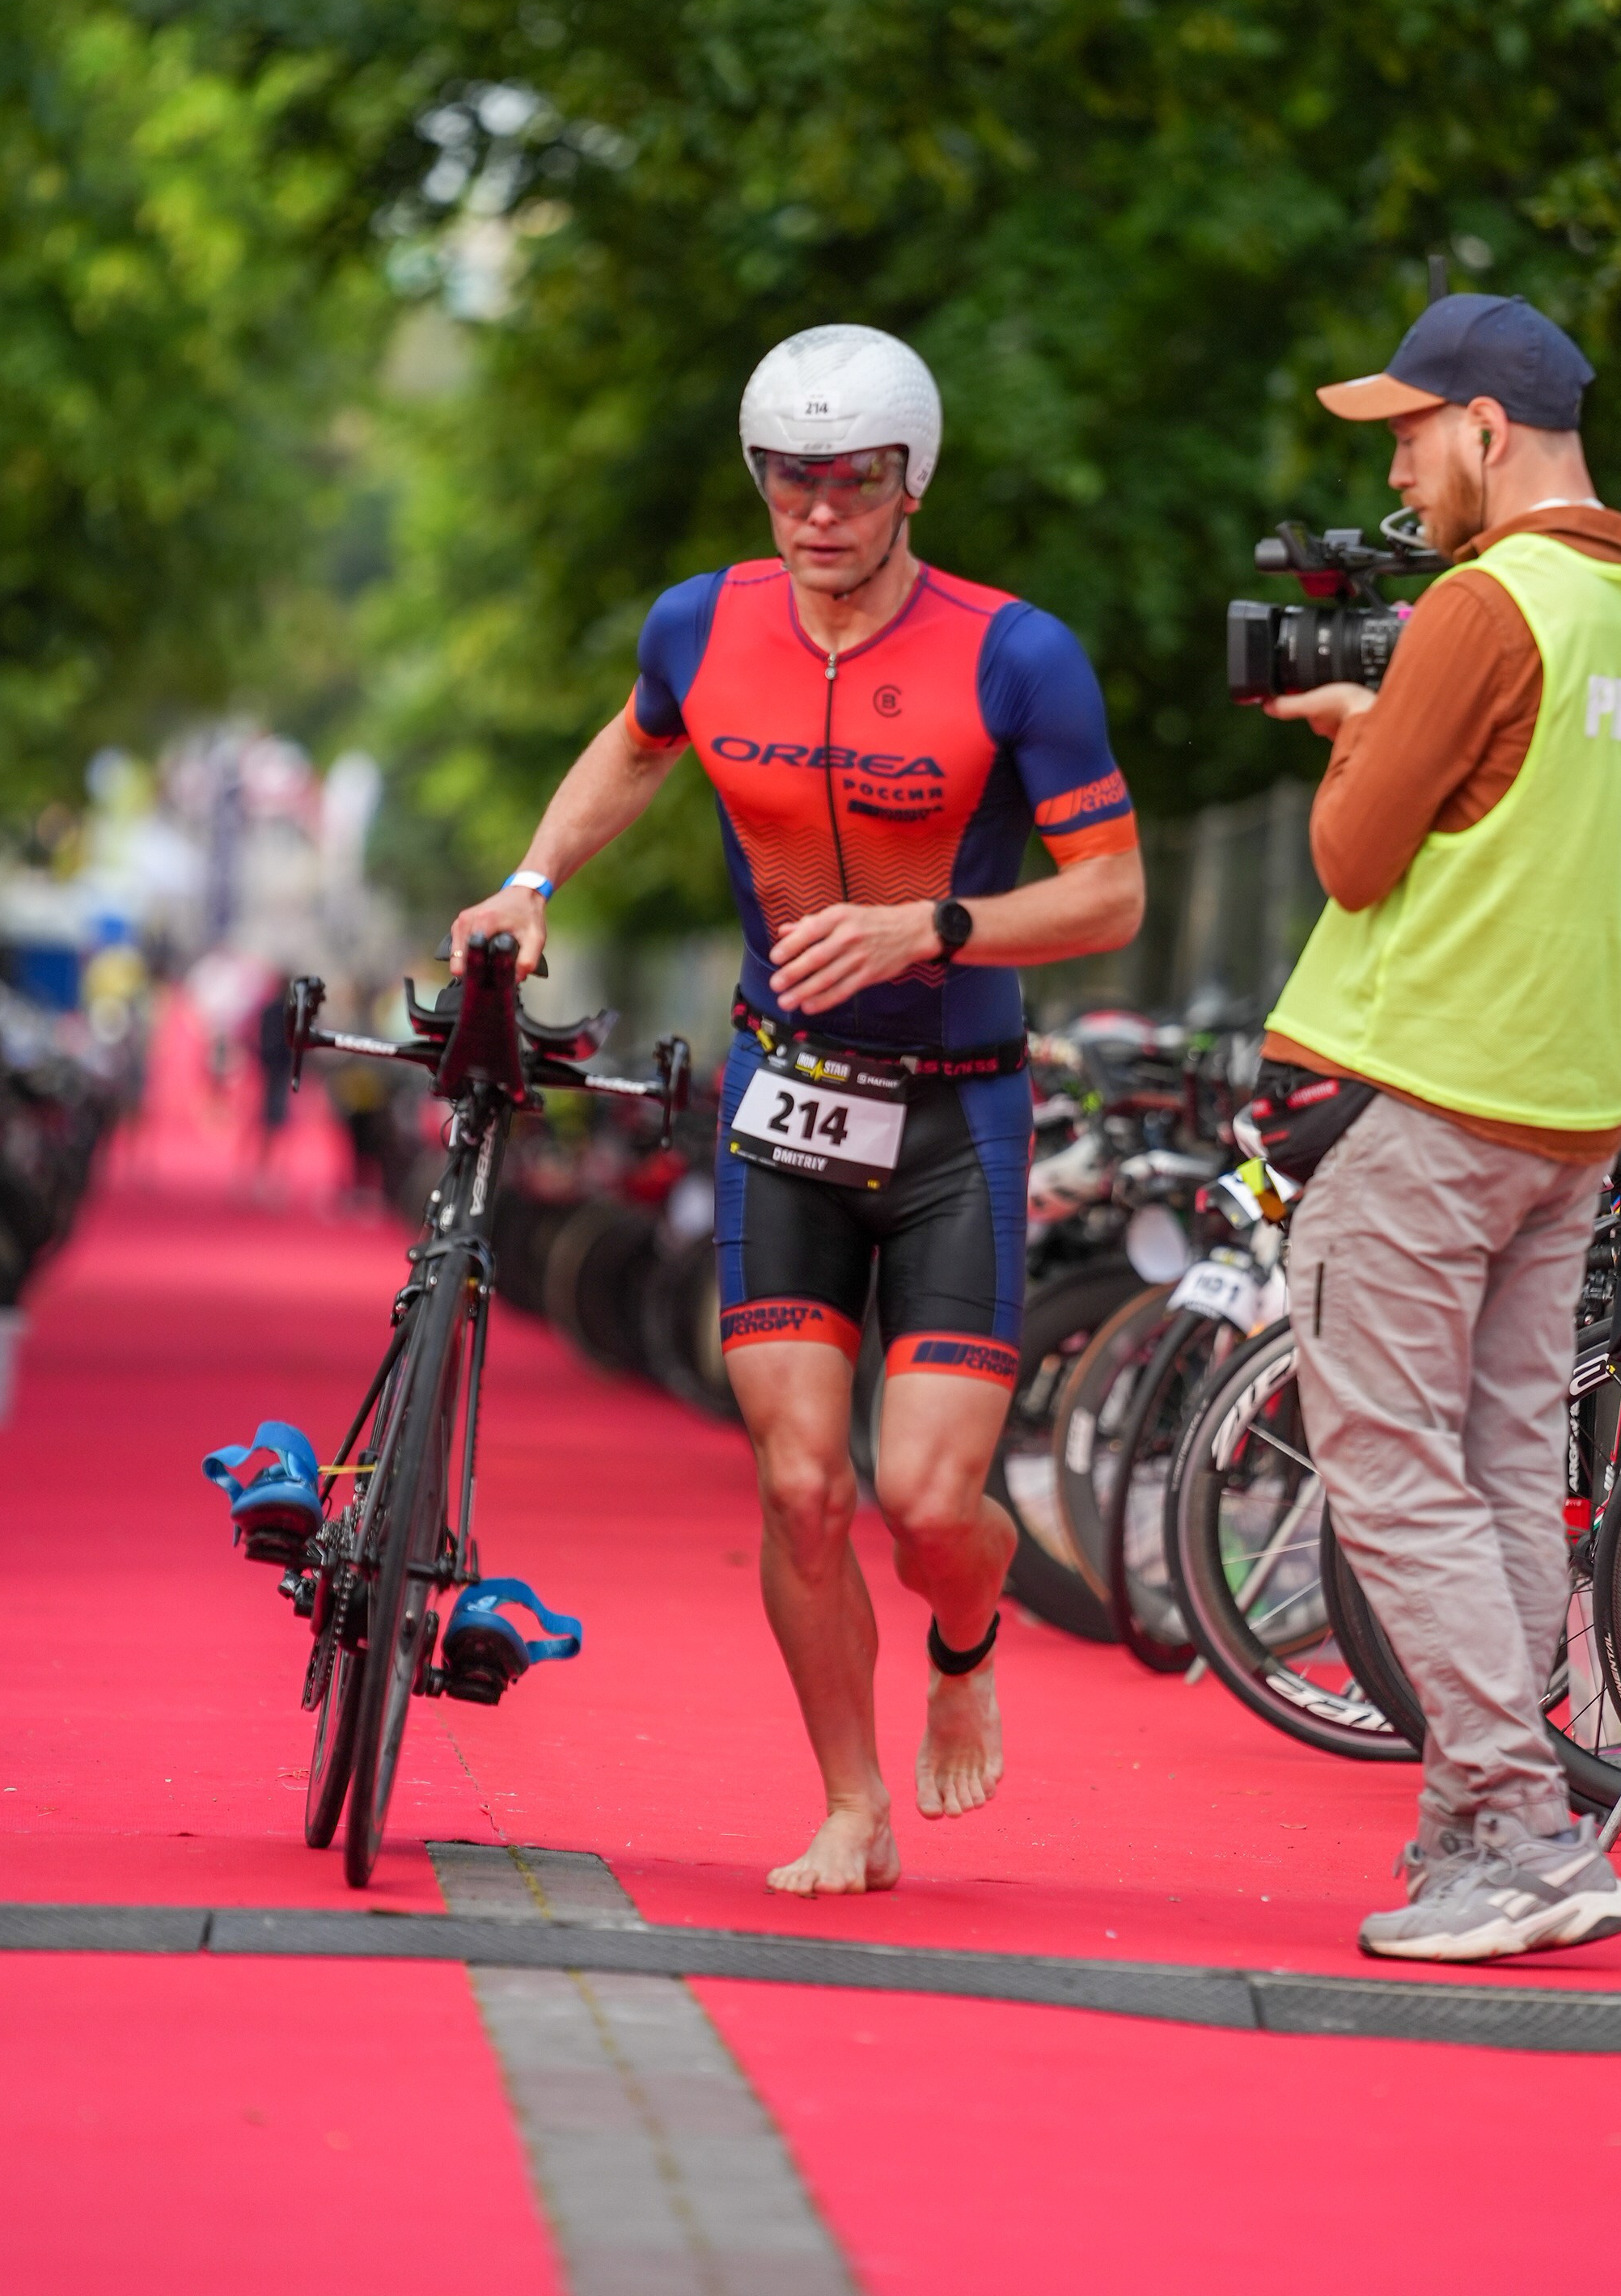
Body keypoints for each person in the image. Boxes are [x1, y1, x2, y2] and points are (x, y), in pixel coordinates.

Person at [448, 325, 1143, 1894]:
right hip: (787, 1096)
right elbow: (632, 753)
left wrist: (934, 929)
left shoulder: (1011, 654)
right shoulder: (701, 625)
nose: (818, 512)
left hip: (959, 1109)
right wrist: (531, 878)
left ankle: (966, 1633)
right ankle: (852, 1801)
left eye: (852, 481)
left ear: (912, 483)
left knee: (928, 1500)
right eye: (788, 480)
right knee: (797, 1481)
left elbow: (1110, 894)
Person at [1257, 290, 1621, 1963]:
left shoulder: (1480, 604)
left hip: (1422, 1090)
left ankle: (1512, 1831)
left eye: (1405, 429)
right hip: (1570, 1105)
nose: (1397, 463)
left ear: (1485, 429)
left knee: (1386, 1463)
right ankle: (1477, 1827)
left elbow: (1354, 861)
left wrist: (1356, 740)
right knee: (1510, 1459)